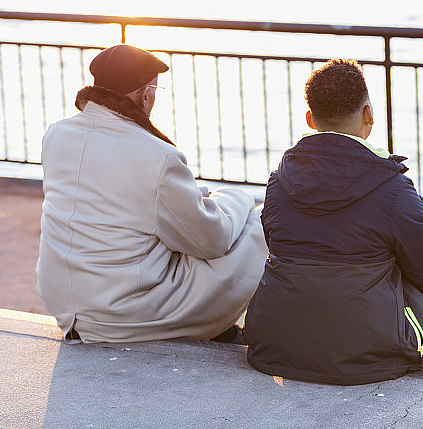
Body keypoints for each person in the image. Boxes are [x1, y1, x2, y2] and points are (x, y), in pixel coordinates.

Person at [244, 59, 423, 385]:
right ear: (369, 115)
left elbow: (288, 251)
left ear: (310, 119)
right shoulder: (392, 187)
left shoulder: (278, 182)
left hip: (279, 344)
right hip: (366, 353)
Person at [36, 44, 266, 344]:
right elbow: (211, 240)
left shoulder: (57, 133)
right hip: (123, 315)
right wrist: (239, 198)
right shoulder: (157, 154)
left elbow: (119, 198)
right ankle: (239, 327)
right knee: (262, 223)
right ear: (145, 93)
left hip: (67, 306)